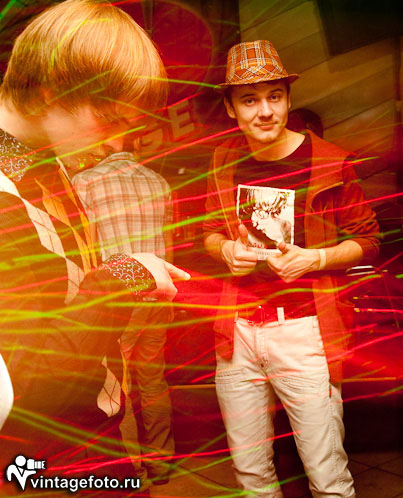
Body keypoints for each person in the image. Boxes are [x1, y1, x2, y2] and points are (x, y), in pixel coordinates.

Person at [0, 0, 188, 483]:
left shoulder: (46, 162)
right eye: (109, 119)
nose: (118, 143)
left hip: (91, 440)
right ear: (50, 91)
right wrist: (123, 277)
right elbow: (23, 390)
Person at [203, 40, 379, 497]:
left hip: (304, 332)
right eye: (249, 100)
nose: (265, 111)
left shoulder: (330, 161)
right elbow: (208, 232)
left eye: (275, 96)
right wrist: (226, 250)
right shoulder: (223, 160)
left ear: (287, 99)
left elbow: (369, 240)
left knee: (327, 477)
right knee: (251, 474)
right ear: (230, 109)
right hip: (238, 333)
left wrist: (314, 259)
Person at [72, 151, 175, 484]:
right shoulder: (159, 181)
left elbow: (86, 246)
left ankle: (133, 469)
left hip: (120, 297)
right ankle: (161, 462)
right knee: (154, 381)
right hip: (158, 294)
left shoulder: (85, 181)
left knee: (118, 384)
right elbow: (169, 242)